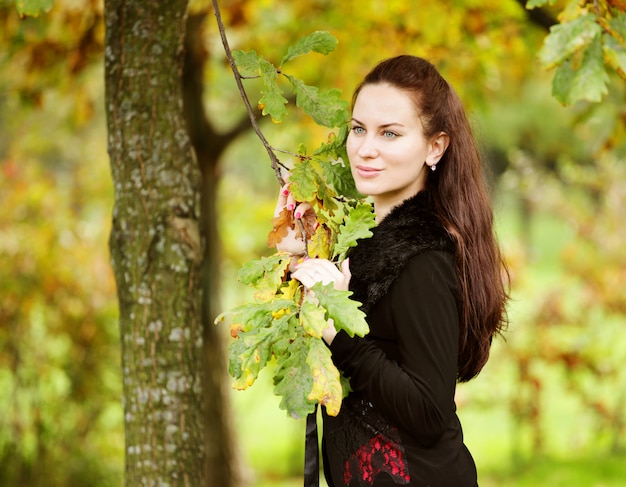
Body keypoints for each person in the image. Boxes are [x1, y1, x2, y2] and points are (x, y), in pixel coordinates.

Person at [274, 55, 509, 487]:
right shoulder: (372, 242)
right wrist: (300, 250)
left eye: (390, 134)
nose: (365, 148)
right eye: (359, 129)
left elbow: (429, 411)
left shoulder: (422, 258)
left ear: (435, 146)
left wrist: (337, 334)